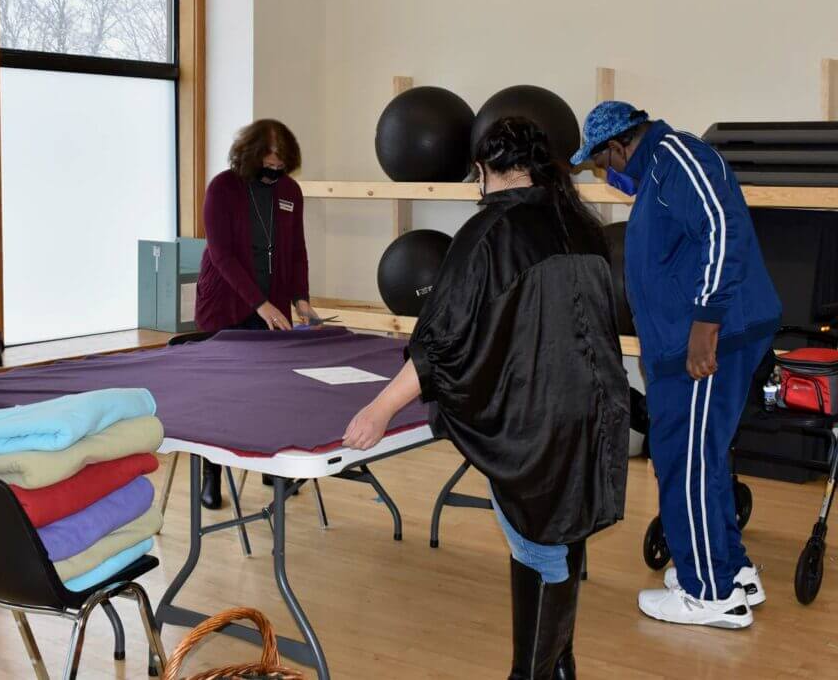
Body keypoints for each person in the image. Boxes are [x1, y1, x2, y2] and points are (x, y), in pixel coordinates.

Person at [343, 117, 631, 679]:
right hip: (594, 409)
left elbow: (440, 340)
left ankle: (533, 674)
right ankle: (559, 665)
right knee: (563, 535)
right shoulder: (581, 222)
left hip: (537, 416)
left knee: (539, 548)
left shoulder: (488, 233)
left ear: (481, 171)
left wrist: (380, 408)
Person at [571, 101, 782, 628]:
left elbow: (723, 227)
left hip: (711, 339)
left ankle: (706, 592)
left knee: (683, 460)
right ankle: (728, 572)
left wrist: (704, 329)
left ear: (617, 146)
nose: (606, 175)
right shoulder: (660, 175)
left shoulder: (677, 157)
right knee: (700, 458)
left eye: (601, 165)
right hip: (690, 341)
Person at [195, 119, 320, 509]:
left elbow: (296, 248)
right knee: (222, 393)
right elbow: (221, 255)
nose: (276, 169)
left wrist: (300, 298)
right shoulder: (223, 188)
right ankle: (211, 475)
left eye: (283, 163)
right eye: (270, 161)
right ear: (251, 155)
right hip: (226, 305)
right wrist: (258, 303)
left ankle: (274, 469)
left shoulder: (289, 192)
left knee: (273, 391)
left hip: (273, 302)